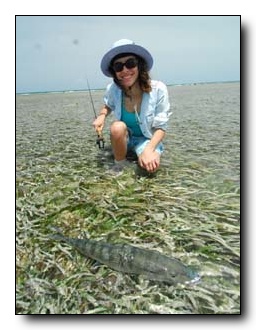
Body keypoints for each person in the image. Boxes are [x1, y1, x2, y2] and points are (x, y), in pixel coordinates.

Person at [93, 39, 171, 175]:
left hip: (147, 139)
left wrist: (148, 150)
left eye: (130, 63)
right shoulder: (113, 89)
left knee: (150, 168)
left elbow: (161, 128)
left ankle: (142, 153)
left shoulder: (159, 89)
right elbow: (108, 105)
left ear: (139, 65)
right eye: (118, 66)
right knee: (117, 127)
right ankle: (119, 165)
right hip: (125, 138)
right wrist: (101, 116)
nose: (125, 70)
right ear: (114, 71)